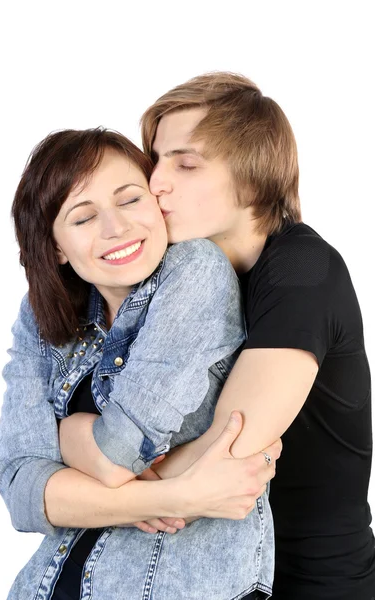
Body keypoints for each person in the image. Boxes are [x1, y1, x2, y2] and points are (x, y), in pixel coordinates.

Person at [0, 128, 280, 600]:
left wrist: (64, 435)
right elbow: (21, 491)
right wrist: (180, 497)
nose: (116, 228)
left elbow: (118, 454)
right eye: (84, 217)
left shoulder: (195, 269)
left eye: (130, 200)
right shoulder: (39, 315)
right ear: (56, 248)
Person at [132, 71, 374, 599]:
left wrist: (101, 483)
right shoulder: (188, 277)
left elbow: (229, 449)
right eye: (155, 160)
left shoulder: (303, 268)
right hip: (218, 574)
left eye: (186, 163)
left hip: (313, 583)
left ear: (252, 179)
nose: (156, 182)